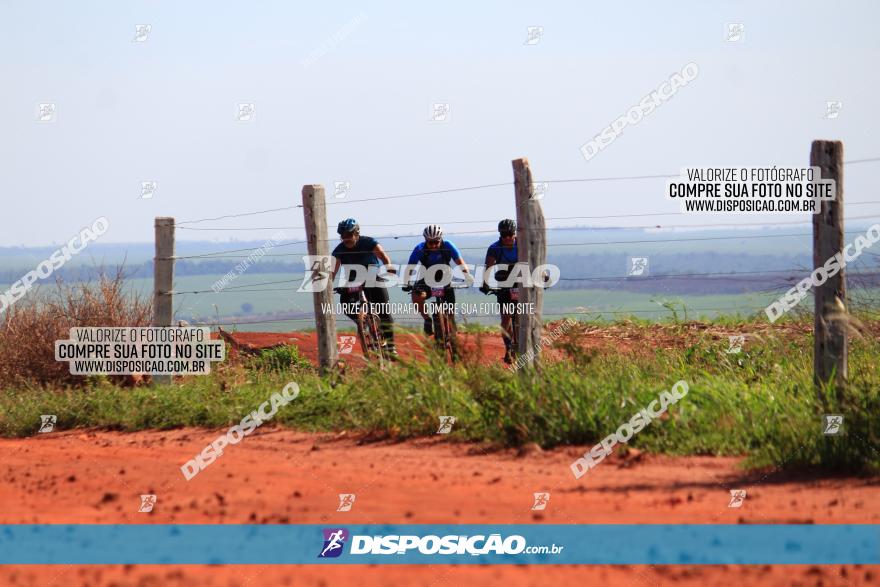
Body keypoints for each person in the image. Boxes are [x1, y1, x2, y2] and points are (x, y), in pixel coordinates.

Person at [330, 218, 398, 357]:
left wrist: (389, 268)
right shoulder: (339, 250)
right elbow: (333, 271)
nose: (346, 239)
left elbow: (384, 257)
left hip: (373, 277)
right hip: (353, 281)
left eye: (348, 235)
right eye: (342, 236)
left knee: (384, 311)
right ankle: (363, 322)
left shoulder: (369, 242)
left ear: (356, 233)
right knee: (345, 305)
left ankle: (390, 347)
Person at [406, 224, 470, 335]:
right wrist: (406, 282)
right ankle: (427, 319)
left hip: (445, 277)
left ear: (441, 239)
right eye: (430, 242)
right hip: (426, 278)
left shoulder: (448, 246)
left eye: (436, 242)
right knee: (416, 295)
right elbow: (410, 267)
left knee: (450, 314)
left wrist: (467, 276)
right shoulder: (419, 249)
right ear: (425, 240)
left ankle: (453, 337)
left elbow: (461, 263)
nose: (434, 245)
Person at [480, 218, 518, 363]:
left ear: (515, 233)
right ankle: (508, 347)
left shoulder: (522, 243)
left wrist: (542, 275)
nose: (508, 237)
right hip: (504, 281)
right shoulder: (494, 248)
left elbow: (534, 261)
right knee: (506, 317)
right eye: (504, 235)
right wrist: (485, 283)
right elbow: (488, 267)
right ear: (500, 235)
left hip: (522, 279)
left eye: (510, 234)